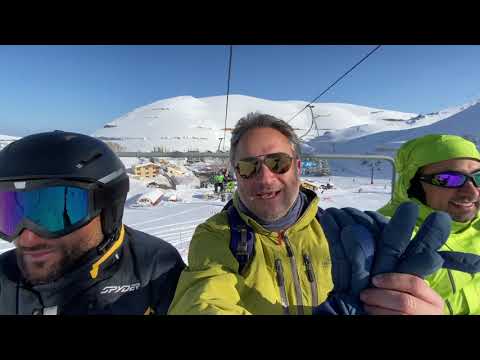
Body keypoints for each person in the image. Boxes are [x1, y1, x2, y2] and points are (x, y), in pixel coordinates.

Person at [168, 113, 446, 315]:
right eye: (249, 166)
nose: (265, 178)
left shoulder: (346, 230)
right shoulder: (218, 237)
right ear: (235, 174)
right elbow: (203, 300)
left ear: (297, 167)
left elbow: (403, 293)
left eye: (278, 163)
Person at [0, 131, 185, 315]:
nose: (27, 238)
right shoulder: (4, 275)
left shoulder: (155, 269)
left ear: (108, 211)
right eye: (10, 215)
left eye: (57, 213)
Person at [378, 134, 480, 314]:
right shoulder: (388, 237)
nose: (471, 193)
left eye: (478, 177)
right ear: (414, 185)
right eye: (449, 179)